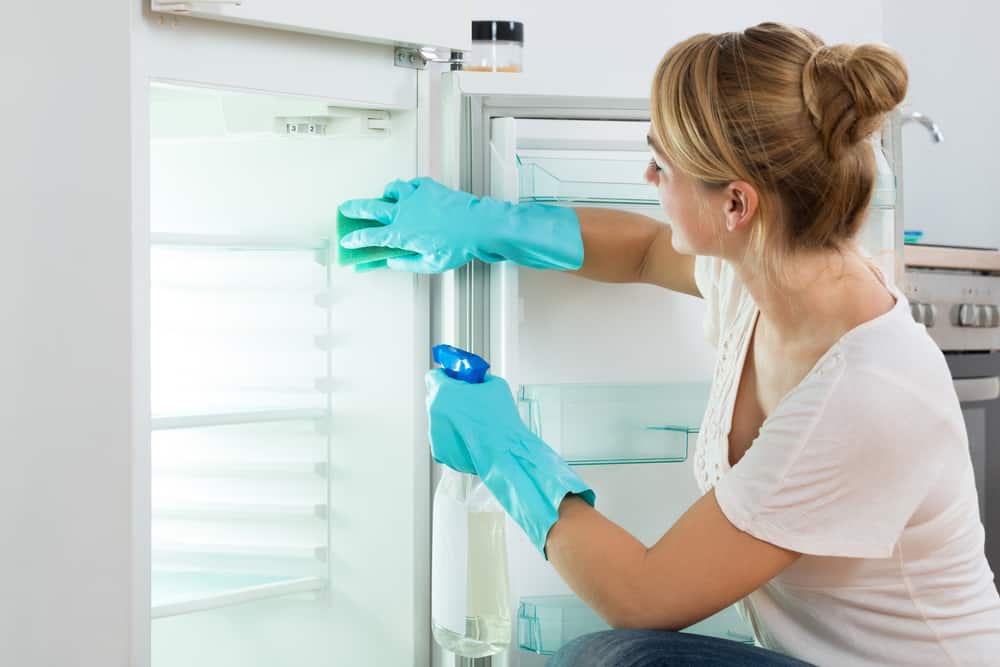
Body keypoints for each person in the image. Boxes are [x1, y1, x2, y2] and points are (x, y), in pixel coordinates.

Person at [338, 22, 1000, 666]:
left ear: (737, 206)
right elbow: (645, 251)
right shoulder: (770, 273)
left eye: (663, 162)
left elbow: (643, 594)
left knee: (615, 659)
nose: (650, 179)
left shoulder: (863, 391)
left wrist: (503, 450)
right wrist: (491, 225)